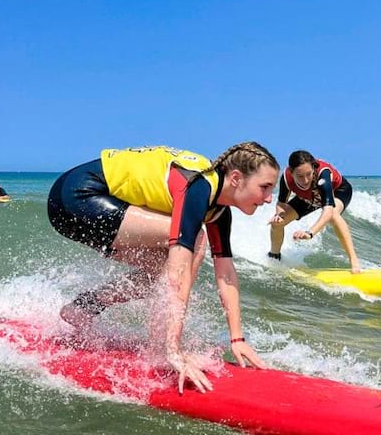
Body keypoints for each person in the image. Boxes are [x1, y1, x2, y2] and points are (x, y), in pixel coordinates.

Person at [47, 143, 279, 394]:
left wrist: (237, 338)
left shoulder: (218, 210)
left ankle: (85, 307)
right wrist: (174, 351)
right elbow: (179, 274)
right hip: (78, 196)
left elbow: (226, 274)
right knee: (192, 246)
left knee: (161, 267)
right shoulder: (198, 188)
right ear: (236, 178)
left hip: (82, 200)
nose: (268, 198)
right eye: (264, 187)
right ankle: (162, 348)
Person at [268, 150, 361, 273]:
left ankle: (354, 260)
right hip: (307, 198)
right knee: (276, 223)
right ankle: (274, 257)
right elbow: (281, 203)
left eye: (309, 174)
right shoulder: (286, 178)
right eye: (300, 176)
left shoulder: (323, 174)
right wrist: (279, 215)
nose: (305, 180)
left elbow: (327, 211)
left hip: (338, 191)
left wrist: (310, 233)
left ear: (313, 168)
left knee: (333, 215)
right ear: (291, 172)